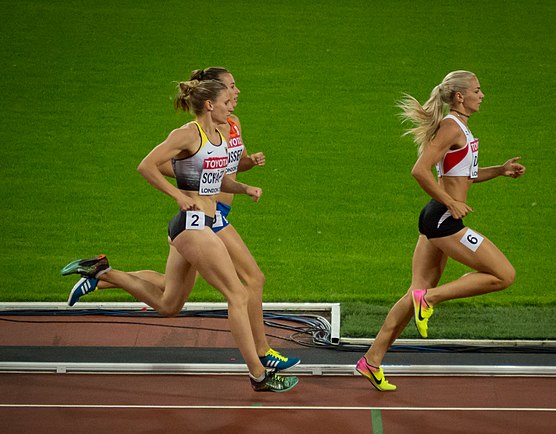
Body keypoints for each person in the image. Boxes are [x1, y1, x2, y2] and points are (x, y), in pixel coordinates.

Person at [61, 79, 298, 392]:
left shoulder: (218, 134)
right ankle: (259, 375)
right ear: (209, 105)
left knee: (169, 304)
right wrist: (176, 194)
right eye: (226, 101)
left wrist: (243, 187)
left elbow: (214, 182)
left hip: (200, 223)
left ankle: (104, 272)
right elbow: (146, 166)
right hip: (193, 224)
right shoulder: (187, 134)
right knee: (238, 294)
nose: (231, 106)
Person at [355, 70, 526, 391]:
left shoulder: (459, 127)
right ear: (460, 96)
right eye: (477, 90)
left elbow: (465, 177)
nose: (482, 95)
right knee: (504, 275)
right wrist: (450, 201)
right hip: (445, 220)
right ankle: (430, 299)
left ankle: (371, 360)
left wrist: (500, 171)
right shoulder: (450, 127)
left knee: (412, 293)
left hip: (436, 218)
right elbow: (419, 170)